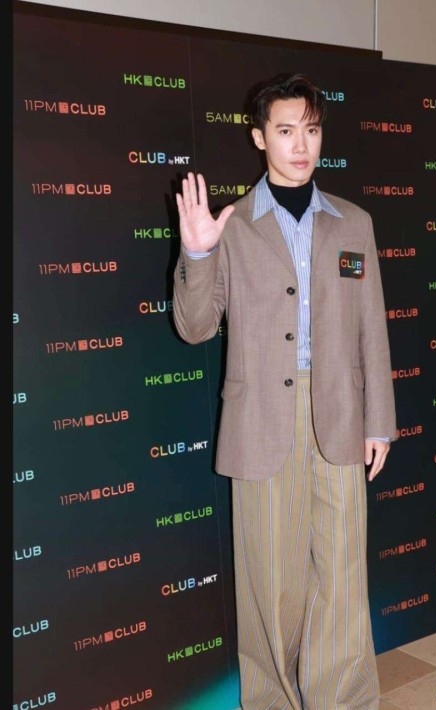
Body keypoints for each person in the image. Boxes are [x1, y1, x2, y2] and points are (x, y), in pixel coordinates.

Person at [173, 72, 397, 710]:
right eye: (285, 130)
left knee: (343, 575)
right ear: (259, 137)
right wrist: (197, 254)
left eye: (312, 130)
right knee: (270, 587)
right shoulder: (234, 225)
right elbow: (194, 327)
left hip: (341, 415)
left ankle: (343, 700)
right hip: (262, 422)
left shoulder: (354, 223)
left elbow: (371, 327)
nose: (301, 145)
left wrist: (379, 422)